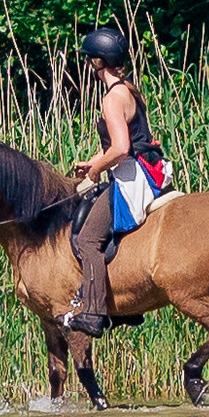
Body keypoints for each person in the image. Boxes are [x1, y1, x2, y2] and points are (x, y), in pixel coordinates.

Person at [63, 27, 169, 337]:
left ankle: (94, 314)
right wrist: (94, 160)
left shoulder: (112, 98)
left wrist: (98, 170)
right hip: (145, 169)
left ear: (98, 61)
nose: (88, 64)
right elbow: (132, 140)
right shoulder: (129, 89)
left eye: (90, 59)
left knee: (88, 240)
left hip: (130, 178)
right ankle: (128, 308)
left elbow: (121, 149)